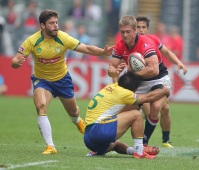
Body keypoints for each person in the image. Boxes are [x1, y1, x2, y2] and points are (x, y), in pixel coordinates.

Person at [11, 9, 113, 154]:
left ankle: (77, 121)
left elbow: (86, 48)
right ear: (42, 26)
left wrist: (103, 52)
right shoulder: (32, 41)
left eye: (56, 22)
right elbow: (15, 60)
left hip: (62, 80)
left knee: (73, 111)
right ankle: (50, 146)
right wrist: (17, 62)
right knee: (41, 106)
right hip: (42, 80)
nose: (56, 26)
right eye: (51, 23)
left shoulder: (63, 37)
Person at [108, 15, 171, 154]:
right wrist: (113, 71)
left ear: (135, 30)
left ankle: (144, 143)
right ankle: (107, 141)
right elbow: (111, 68)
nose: (125, 35)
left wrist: (131, 72)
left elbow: (154, 70)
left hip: (159, 79)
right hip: (140, 82)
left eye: (128, 31)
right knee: (124, 110)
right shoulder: (119, 45)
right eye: (122, 32)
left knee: (155, 107)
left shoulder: (145, 43)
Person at [84, 71, 170, 158]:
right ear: (135, 89)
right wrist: (165, 91)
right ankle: (139, 152)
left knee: (115, 144)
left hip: (89, 138)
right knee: (136, 115)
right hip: (99, 130)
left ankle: (132, 151)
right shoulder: (125, 93)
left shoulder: (112, 86)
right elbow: (149, 97)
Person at [135, 15, 187, 147]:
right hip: (141, 83)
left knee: (165, 108)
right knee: (145, 110)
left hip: (158, 79)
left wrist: (178, 63)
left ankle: (165, 140)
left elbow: (168, 53)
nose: (140, 30)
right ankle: (141, 141)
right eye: (138, 27)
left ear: (148, 29)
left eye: (143, 27)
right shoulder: (130, 43)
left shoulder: (153, 40)